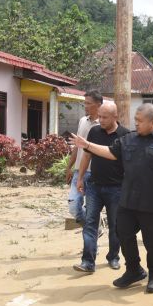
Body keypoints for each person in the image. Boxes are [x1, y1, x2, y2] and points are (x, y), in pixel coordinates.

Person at [71, 103, 153, 294]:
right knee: (122, 233)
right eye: (135, 120)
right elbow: (110, 152)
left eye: (140, 121)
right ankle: (134, 270)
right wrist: (88, 145)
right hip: (128, 200)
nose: (136, 124)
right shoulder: (129, 139)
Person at [74, 103, 130, 273]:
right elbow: (87, 155)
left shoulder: (125, 135)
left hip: (117, 188)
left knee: (115, 225)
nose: (101, 120)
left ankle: (113, 257)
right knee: (90, 223)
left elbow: (130, 163)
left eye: (105, 117)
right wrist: (81, 178)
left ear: (115, 117)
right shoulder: (94, 131)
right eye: (100, 116)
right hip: (94, 186)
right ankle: (88, 262)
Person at [65, 91, 102, 224]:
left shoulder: (104, 125)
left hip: (95, 173)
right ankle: (92, 227)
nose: (85, 106)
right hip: (78, 171)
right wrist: (69, 167)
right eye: (84, 102)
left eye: (88, 103)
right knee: (73, 204)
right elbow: (77, 147)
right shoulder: (82, 121)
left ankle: (91, 230)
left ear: (98, 105)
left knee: (92, 208)